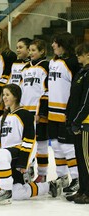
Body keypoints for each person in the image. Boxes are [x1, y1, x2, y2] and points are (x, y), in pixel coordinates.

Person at [0, 84, 62, 205]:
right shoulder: (3, 116)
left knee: (0, 154)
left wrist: (24, 162)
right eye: (3, 95)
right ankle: (50, 186)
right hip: (7, 156)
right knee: (18, 194)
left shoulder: (25, 114)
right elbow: (2, 142)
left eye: (8, 95)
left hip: (20, 153)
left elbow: (29, 140)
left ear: (16, 97)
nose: (4, 98)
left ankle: (6, 191)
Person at [48, 32, 80, 193]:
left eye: (56, 43)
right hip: (51, 112)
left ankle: (76, 178)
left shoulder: (74, 63)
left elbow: (77, 90)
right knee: (55, 145)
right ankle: (62, 177)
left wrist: (73, 112)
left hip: (66, 112)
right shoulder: (53, 62)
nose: (52, 45)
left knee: (68, 147)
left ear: (63, 44)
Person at [21, 39, 49, 182]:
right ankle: (29, 168)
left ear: (42, 51)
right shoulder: (25, 68)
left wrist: (41, 112)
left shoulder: (46, 66)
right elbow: (21, 90)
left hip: (38, 113)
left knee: (42, 144)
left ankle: (43, 174)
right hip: (25, 112)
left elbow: (47, 91)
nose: (31, 53)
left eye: (34, 50)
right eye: (30, 50)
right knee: (26, 142)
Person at [65, 42, 89, 204]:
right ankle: (82, 189)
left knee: (87, 160)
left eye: (80, 54)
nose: (78, 57)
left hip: (85, 123)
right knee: (80, 159)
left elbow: (87, 102)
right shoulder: (81, 72)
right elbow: (73, 98)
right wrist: (69, 118)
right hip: (77, 122)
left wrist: (77, 120)